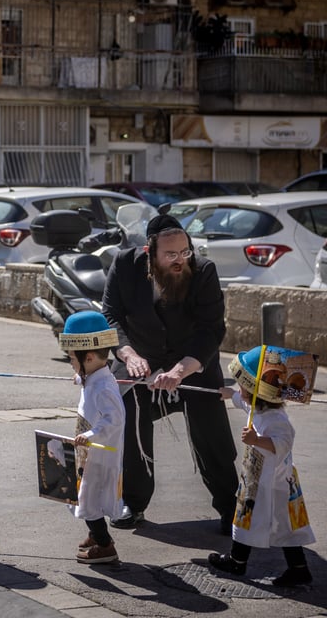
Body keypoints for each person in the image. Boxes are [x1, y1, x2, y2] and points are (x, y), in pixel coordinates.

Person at [101, 212, 237, 532]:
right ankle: (133, 503)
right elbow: (110, 316)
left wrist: (181, 369)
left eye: (185, 252)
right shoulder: (124, 264)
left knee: (211, 434)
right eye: (171, 255)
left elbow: (212, 328)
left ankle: (231, 506)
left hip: (192, 360)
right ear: (150, 252)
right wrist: (128, 353)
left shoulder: (203, 271)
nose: (180, 261)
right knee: (130, 420)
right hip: (140, 358)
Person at [209, 346, 315, 587]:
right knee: (257, 521)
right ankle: (291, 568)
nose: (241, 391)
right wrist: (230, 394)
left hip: (273, 483)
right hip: (262, 480)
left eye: (243, 387)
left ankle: (240, 562)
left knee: (262, 521)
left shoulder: (276, 420)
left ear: (258, 391)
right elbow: (244, 403)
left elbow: (283, 443)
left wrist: (257, 440)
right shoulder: (257, 407)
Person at [59, 311, 126, 565]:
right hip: (88, 453)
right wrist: (79, 377)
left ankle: (105, 545)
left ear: (88, 357)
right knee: (84, 494)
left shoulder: (103, 387)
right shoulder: (94, 378)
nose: (71, 365)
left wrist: (90, 434)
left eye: (72, 360)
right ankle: (96, 535)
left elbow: (114, 420)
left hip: (98, 454)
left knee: (89, 499)